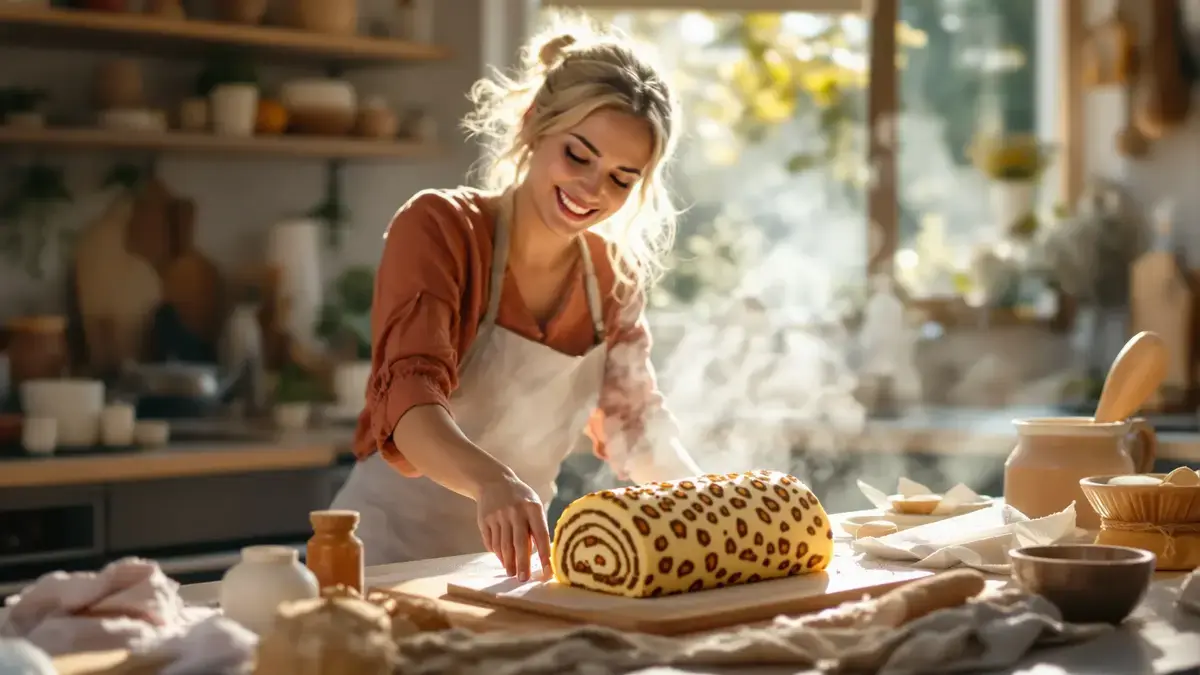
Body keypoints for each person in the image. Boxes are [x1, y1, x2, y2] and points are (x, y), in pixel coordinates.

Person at [330, 17, 703, 581]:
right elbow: (408, 401)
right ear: (534, 126)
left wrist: (709, 504)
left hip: (505, 572)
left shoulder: (612, 279)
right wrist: (492, 481)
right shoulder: (442, 228)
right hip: (382, 561)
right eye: (578, 156)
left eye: (622, 179)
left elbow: (635, 425)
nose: (593, 191)